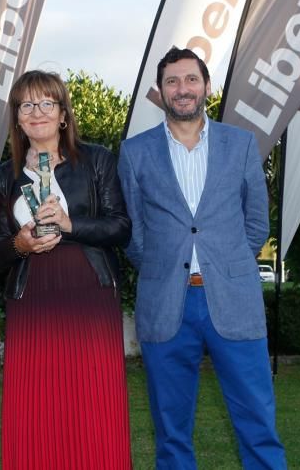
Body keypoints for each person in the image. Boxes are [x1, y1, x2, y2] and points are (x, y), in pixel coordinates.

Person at [117, 47, 285, 469]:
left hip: (233, 301)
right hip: (166, 305)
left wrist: (224, 267)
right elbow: (133, 232)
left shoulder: (241, 145)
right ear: (160, 91)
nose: (182, 89)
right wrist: (163, 269)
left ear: (206, 86)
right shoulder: (135, 153)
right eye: (172, 81)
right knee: (171, 434)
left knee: (258, 425)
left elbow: (256, 224)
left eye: (191, 79)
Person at [0, 70, 132, 469]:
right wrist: (22, 243)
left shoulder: (97, 160)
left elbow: (120, 227)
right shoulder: (4, 176)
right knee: (35, 406)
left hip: (88, 292)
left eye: (46, 103)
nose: (37, 112)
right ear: (17, 117)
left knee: (93, 403)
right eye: (26, 105)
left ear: (63, 114)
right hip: (32, 295)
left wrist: (72, 226)